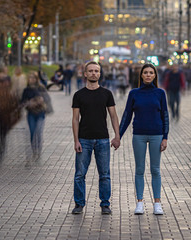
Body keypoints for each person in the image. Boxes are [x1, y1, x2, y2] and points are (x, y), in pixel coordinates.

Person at [119, 63, 169, 215]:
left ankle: (157, 203)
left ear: (155, 76)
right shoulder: (134, 93)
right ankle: (139, 202)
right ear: (141, 75)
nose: (148, 75)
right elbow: (127, 115)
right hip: (139, 135)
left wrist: (165, 137)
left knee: (155, 169)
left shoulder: (160, 93)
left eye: (151, 73)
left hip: (156, 135)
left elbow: (165, 116)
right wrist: (118, 136)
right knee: (139, 169)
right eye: (145, 72)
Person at [71, 61, 120, 215]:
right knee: (80, 174)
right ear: (85, 74)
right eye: (90, 71)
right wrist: (76, 140)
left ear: (100, 74)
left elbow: (113, 116)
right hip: (84, 139)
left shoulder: (106, 94)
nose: (93, 73)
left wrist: (117, 136)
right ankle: (79, 204)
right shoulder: (79, 95)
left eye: (96, 71)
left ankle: (105, 204)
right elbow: (75, 119)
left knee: (104, 174)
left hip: (103, 139)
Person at [21, 72, 53, 161]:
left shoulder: (41, 88)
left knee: (38, 132)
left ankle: (38, 150)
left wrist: (41, 101)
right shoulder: (26, 90)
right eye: (30, 78)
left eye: (33, 78)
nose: (31, 80)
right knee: (32, 132)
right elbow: (22, 102)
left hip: (40, 113)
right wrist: (29, 103)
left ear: (36, 79)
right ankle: (34, 150)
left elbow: (47, 99)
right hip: (31, 113)